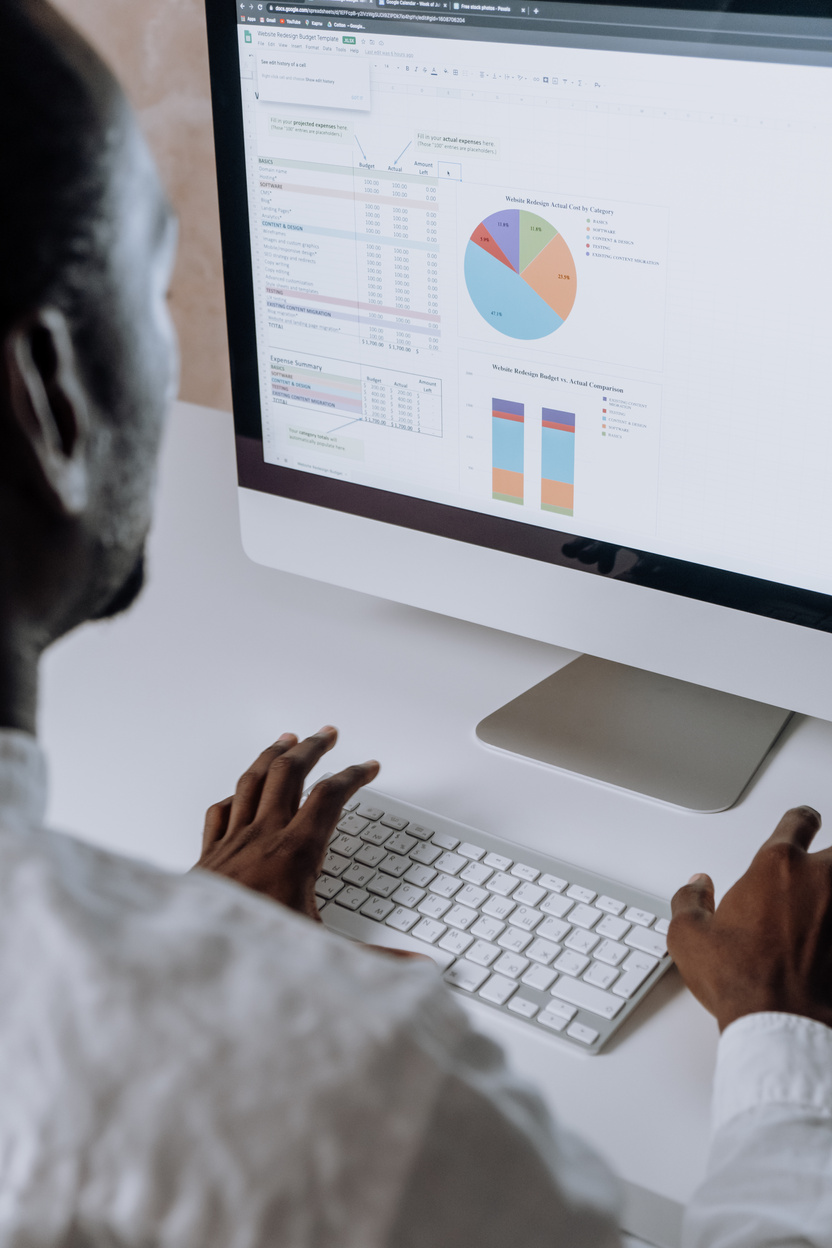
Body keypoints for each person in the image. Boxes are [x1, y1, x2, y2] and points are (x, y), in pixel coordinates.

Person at [1, 3, 831, 1245]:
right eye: (155, 279)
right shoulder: (329, 1082)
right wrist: (780, 1032)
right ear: (47, 393)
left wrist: (191, 942)